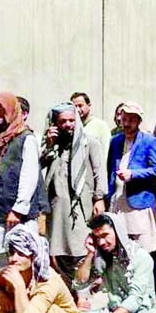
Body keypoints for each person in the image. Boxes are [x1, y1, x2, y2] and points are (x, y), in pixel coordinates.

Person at [75, 214, 156, 313]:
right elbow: (80, 283)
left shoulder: (140, 257)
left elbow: (135, 299)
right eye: (97, 238)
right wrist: (90, 254)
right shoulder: (104, 257)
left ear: (118, 231)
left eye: (105, 235)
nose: (102, 242)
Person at [42, 102, 107, 286]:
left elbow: (99, 172)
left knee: (80, 245)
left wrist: (99, 197)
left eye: (71, 120)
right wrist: (48, 146)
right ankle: (67, 289)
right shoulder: (53, 145)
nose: (68, 125)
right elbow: (38, 166)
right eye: (63, 121)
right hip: (56, 206)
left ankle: (83, 289)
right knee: (58, 248)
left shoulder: (89, 143)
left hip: (80, 204)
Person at [0, 92, 48, 274]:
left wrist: (18, 209)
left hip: (17, 212)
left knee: (20, 255)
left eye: (0, 110)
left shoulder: (26, 138)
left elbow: (29, 176)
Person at [107, 102, 156, 252]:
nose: (126, 124)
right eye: (124, 119)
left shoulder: (149, 141)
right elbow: (110, 170)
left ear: (138, 121)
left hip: (139, 202)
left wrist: (133, 174)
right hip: (118, 200)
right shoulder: (115, 141)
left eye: (131, 120)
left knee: (143, 248)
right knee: (119, 245)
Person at [71, 92, 112, 163]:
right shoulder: (72, 127)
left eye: (80, 106)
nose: (77, 110)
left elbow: (106, 151)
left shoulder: (100, 126)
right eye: (75, 107)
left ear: (89, 105)